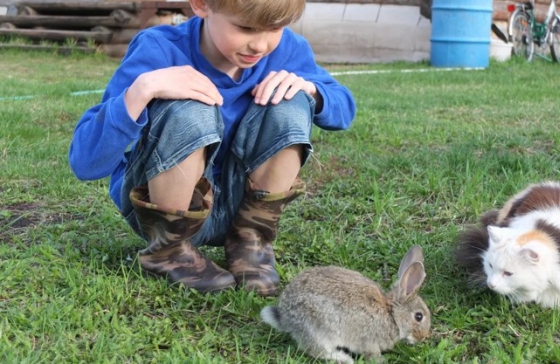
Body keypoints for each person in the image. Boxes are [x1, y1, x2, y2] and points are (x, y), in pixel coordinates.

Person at [68, 0, 356, 296]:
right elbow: (86, 163)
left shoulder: (289, 50)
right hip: (163, 210)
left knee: (293, 98)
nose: (260, 44)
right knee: (188, 105)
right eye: (245, 27)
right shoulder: (159, 47)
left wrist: (311, 89)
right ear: (201, 5)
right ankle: (169, 250)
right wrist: (142, 90)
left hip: (242, 209)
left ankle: (252, 239)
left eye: (275, 28)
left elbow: (343, 109)